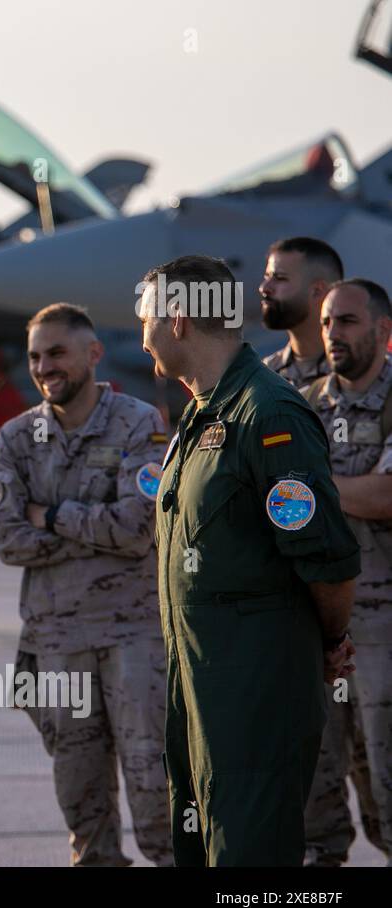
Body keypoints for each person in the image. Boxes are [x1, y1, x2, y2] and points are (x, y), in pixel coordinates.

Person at [141, 254, 359, 866]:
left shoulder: (268, 415)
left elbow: (326, 558)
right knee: (204, 848)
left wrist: (331, 638)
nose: (143, 332)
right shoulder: (201, 415)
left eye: (147, 316)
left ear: (179, 319)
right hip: (200, 688)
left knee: (250, 865)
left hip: (255, 693)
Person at [0, 303, 171, 867]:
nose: (44, 367)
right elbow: (8, 540)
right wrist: (93, 525)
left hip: (135, 635)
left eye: (56, 353)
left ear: (93, 354)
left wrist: (49, 515)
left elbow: (140, 527)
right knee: (80, 794)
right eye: (36, 356)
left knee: (153, 779)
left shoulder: (139, 422)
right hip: (57, 642)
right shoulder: (16, 438)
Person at [301, 278, 392, 865]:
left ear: (383, 332)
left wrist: (308, 490)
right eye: (329, 321)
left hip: (385, 622)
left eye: (348, 321)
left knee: (388, 771)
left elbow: (387, 497)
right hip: (315, 621)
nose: (332, 333)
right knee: (317, 783)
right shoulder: (304, 404)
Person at [259, 236, 344, 388]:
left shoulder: (363, 373)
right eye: (267, 277)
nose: (264, 288)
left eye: (280, 278)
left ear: (317, 291)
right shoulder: (265, 375)